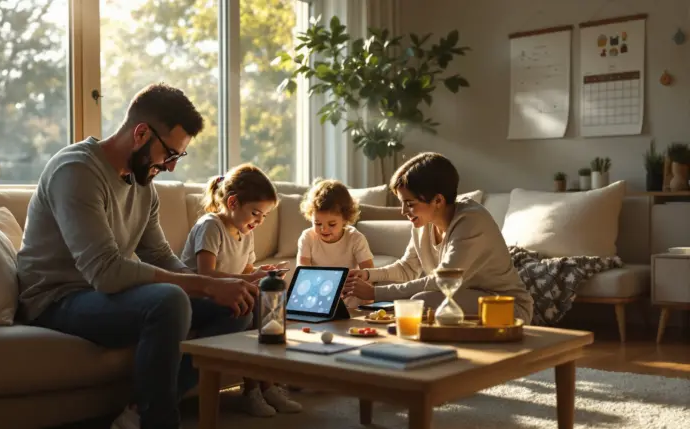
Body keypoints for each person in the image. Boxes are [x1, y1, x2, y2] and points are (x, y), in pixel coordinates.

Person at [16, 83, 258, 429]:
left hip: (102, 295)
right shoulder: (76, 171)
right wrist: (202, 285)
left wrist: (231, 283)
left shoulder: (143, 185)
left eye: (178, 157)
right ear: (141, 133)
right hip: (56, 298)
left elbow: (160, 256)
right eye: (170, 154)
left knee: (238, 306)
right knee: (169, 301)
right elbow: (107, 273)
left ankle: (138, 412)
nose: (172, 167)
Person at [342, 152, 533, 322]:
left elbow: (442, 281)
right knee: (419, 304)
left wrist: (376, 292)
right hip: (463, 299)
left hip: (506, 305)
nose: (402, 211)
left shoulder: (471, 221)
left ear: (438, 200)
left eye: (409, 203)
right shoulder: (423, 224)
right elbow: (407, 268)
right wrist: (367, 275)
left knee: (422, 302)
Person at [181, 163, 302, 417]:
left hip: (225, 295)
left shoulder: (245, 233)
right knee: (246, 308)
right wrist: (251, 279)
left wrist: (261, 272)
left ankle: (263, 386)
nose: (259, 221)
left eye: (264, 217)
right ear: (233, 202)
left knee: (270, 301)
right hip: (196, 296)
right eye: (256, 213)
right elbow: (206, 275)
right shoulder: (211, 225)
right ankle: (256, 389)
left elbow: (246, 271)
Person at [297, 178, 374, 309]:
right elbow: (303, 272)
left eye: (331, 224)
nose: (323, 229)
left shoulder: (356, 238)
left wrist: (369, 297)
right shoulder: (307, 237)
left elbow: (369, 272)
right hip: (317, 294)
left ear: (345, 219)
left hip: (349, 296)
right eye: (317, 223)